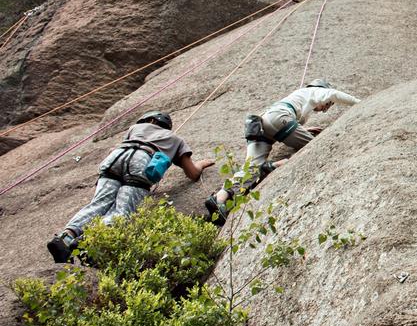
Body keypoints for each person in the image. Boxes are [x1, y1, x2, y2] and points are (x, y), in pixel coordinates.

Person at [47, 111, 214, 263]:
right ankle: (90, 240)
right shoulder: (176, 140)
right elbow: (192, 173)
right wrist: (200, 165)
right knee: (122, 211)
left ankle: (66, 237)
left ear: (149, 120)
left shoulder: (135, 128)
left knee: (98, 204)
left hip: (115, 158)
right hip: (142, 161)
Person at [205, 79, 359, 224]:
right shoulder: (315, 91)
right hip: (279, 118)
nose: (326, 108)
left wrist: (302, 129)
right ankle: (275, 165)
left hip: (262, 123)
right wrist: (359, 103)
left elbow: (279, 120)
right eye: (328, 104)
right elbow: (333, 94)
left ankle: (219, 198)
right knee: (317, 148)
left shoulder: (298, 98)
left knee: (251, 169)